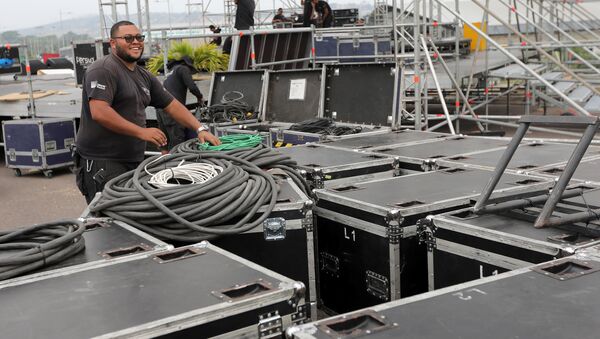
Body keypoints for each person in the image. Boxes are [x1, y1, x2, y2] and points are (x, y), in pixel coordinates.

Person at [74, 20, 220, 204]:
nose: (135, 42)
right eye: (128, 38)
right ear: (113, 43)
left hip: (131, 160)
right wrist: (142, 132)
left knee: (133, 216)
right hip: (103, 162)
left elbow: (171, 104)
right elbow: (100, 112)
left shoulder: (143, 75)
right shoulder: (103, 70)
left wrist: (199, 128)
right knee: (109, 222)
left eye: (139, 37)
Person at [156, 55, 204, 151]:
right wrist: (200, 97)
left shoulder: (170, 72)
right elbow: (192, 86)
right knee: (178, 145)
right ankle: (177, 163)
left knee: (165, 143)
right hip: (173, 110)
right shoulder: (183, 68)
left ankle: (165, 162)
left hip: (160, 110)